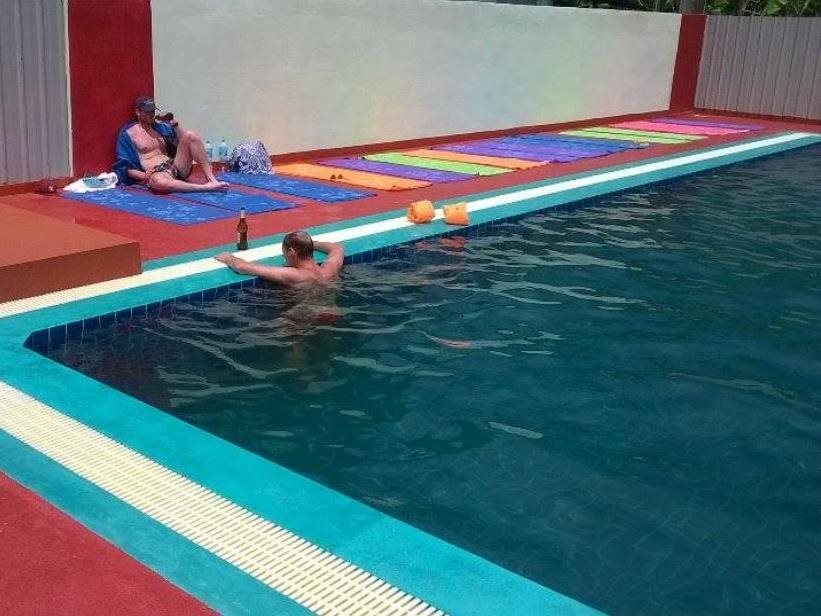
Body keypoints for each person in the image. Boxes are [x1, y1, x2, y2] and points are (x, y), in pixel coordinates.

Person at [114, 95, 228, 193]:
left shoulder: (159, 127)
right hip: (158, 174)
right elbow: (125, 167)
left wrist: (174, 123)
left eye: (153, 111)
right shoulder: (128, 134)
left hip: (175, 167)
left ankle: (211, 179)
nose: (152, 114)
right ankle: (204, 188)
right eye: (148, 112)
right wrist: (144, 176)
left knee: (191, 135)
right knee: (158, 182)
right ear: (138, 112)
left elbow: (185, 140)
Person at [215, 231, 344, 286]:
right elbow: (337, 249)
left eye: (284, 253)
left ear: (291, 252)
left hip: (305, 319)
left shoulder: (295, 275)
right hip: (332, 314)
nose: (284, 257)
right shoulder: (328, 270)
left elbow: (242, 267)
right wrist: (312, 244)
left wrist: (228, 258)